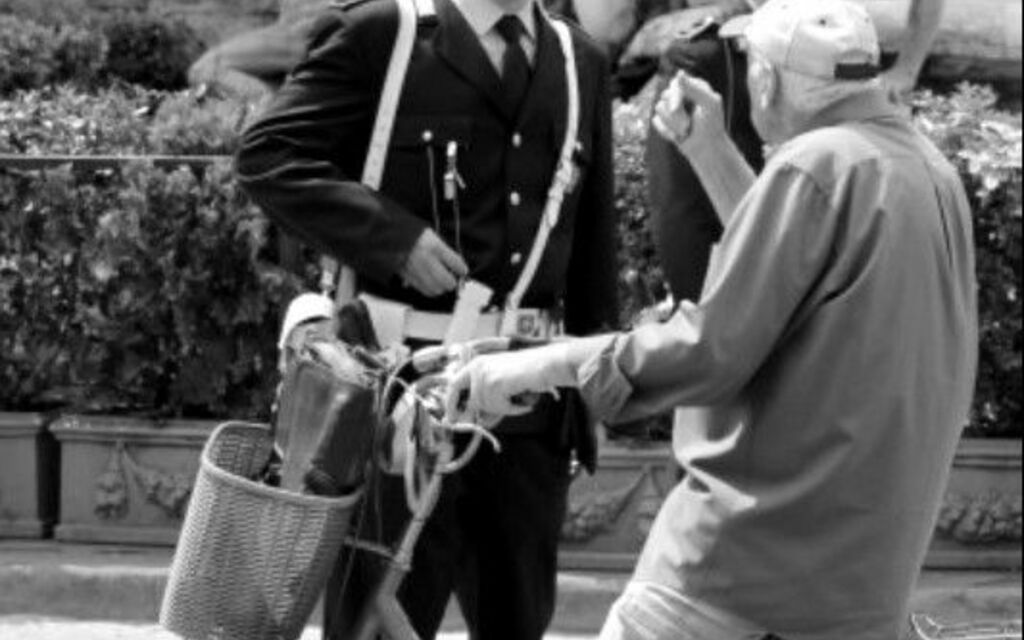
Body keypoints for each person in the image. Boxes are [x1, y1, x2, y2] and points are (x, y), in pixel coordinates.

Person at [446, 1, 978, 638]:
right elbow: (791, 275)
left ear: (766, 80)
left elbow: (710, 350)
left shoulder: (816, 166)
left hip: (743, 557)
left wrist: (544, 362)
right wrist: (710, 150)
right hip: (860, 577)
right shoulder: (923, 166)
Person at [234, 0, 619, 638]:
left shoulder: (579, 60)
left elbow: (590, 241)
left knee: (517, 622)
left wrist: (593, 387)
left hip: (527, 409)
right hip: (401, 401)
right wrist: (391, 238)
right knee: (378, 625)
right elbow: (269, 156)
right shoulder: (383, 34)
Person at [645, 0, 947, 303]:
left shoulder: (819, 167)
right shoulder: (933, 170)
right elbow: (686, 226)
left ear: (766, 80)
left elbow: (789, 262)